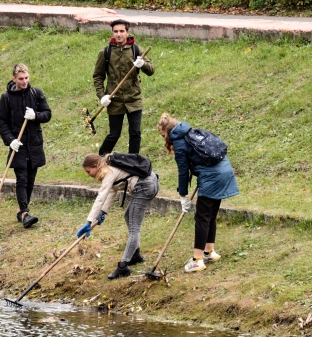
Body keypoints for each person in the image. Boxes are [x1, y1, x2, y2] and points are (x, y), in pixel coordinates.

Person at [157, 113, 239, 273]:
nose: (164, 139)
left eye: (163, 135)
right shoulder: (192, 132)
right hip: (225, 170)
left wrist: (182, 196)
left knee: (201, 217)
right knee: (210, 214)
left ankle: (197, 260)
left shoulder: (180, 143)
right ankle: (209, 252)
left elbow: (183, 172)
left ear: (168, 132)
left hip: (212, 177)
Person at [77, 153, 159, 279]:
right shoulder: (108, 169)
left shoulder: (108, 171)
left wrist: (88, 221)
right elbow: (111, 191)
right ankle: (135, 255)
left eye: (89, 171)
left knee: (134, 228)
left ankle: (123, 266)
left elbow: (101, 196)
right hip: (147, 183)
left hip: (145, 186)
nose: (89, 174)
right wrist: (102, 212)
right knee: (128, 217)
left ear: (95, 165)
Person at [0, 63, 52, 228]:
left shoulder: (36, 93)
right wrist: (10, 140)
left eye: (26, 78)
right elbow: (1, 121)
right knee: (22, 178)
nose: (24, 81)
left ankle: (21, 211)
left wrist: (35, 115)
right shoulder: (6, 98)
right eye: (21, 79)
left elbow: (47, 114)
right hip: (18, 145)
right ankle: (25, 213)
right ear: (14, 79)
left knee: (31, 179)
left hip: (33, 143)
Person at [93, 19, 155, 155]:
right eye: (116, 31)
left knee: (135, 133)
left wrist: (142, 64)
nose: (118, 34)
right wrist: (102, 95)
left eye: (122, 31)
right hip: (114, 100)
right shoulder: (106, 52)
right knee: (114, 134)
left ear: (128, 32)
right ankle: (100, 160)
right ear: (112, 33)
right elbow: (98, 76)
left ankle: (133, 163)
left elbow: (151, 70)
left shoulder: (136, 50)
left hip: (134, 99)